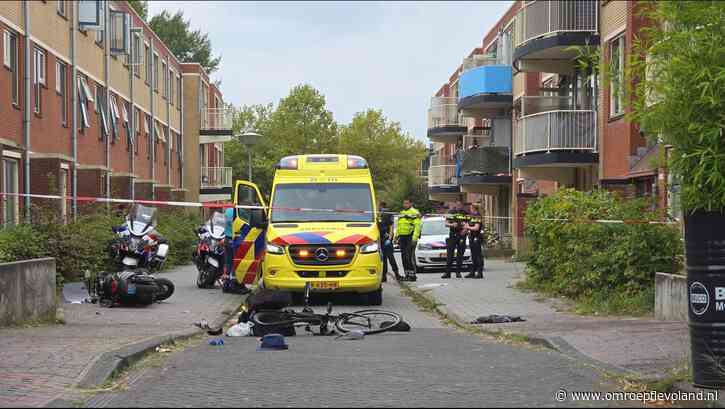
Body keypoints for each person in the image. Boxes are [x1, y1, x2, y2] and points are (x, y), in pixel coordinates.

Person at [395, 199, 421, 282]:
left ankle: (412, 275)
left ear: (411, 203)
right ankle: (407, 275)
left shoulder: (414, 212)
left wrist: (414, 238)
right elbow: (399, 225)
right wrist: (396, 236)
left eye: (407, 203)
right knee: (403, 257)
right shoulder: (402, 213)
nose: (405, 204)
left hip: (410, 237)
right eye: (404, 203)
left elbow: (417, 226)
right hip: (402, 237)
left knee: (408, 256)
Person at [442, 200, 469, 279]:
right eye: (457, 204)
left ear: (462, 205)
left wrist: (466, 229)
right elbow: (446, 223)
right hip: (453, 235)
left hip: (462, 235)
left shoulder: (465, 213)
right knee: (450, 254)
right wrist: (452, 224)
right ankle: (447, 273)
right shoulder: (451, 212)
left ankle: (458, 272)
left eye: (460, 205)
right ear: (455, 204)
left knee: (460, 255)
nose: (459, 206)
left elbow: (469, 223)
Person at [378, 201, 400, 282]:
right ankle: (384, 276)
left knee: (389, 257)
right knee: (384, 258)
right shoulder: (379, 214)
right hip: (382, 239)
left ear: (381, 206)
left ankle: (396, 274)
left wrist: (389, 239)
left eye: (378, 206)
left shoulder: (387, 214)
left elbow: (391, 226)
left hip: (386, 239)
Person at [465, 204, 485, 279]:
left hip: (477, 238)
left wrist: (468, 227)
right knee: (473, 256)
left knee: (478, 256)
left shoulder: (477, 216)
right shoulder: (472, 216)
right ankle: (472, 272)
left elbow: (476, 228)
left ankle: (479, 273)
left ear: (474, 208)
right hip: (472, 238)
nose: (470, 209)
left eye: (471, 208)